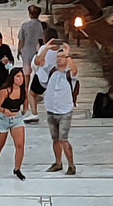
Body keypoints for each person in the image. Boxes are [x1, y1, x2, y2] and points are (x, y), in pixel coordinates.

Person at [37, 44, 78, 175]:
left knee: (63, 139)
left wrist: (68, 55)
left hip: (64, 111)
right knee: (55, 139)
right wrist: (46, 48)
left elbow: (75, 70)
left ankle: (71, 165)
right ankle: (58, 162)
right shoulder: (52, 71)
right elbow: (39, 61)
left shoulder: (69, 74)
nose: (59, 59)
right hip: (51, 109)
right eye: (58, 57)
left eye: (62, 57)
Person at [0, 68, 27, 180]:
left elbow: (25, 101)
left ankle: (17, 169)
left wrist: (24, 110)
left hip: (17, 118)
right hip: (3, 119)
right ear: (12, 78)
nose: (20, 79)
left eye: (22, 76)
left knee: (20, 145)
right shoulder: (5, 91)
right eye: (18, 76)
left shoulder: (23, 90)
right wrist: (4, 111)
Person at [16, 5, 45, 121]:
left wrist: (19, 50)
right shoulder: (41, 26)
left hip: (27, 53)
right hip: (37, 53)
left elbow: (21, 40)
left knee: (26, 81)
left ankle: (25, 106)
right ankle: (35, 98)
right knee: (38, 76)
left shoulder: (25, 26)